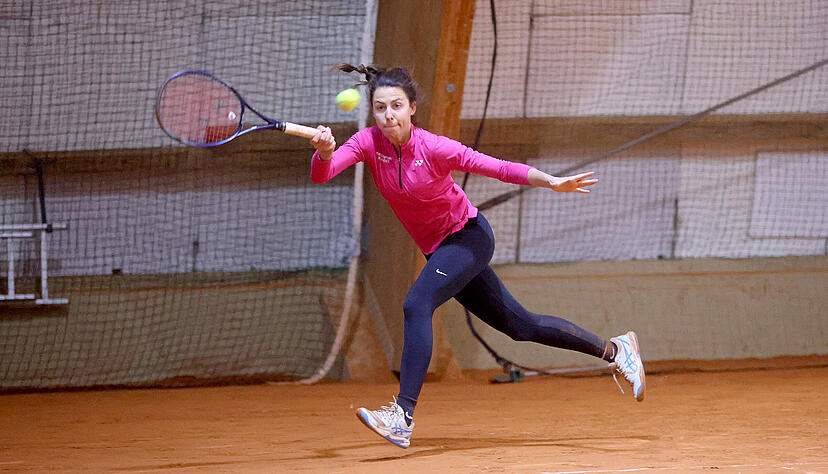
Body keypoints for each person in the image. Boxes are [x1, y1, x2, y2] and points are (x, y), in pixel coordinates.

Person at [309, 63, 645, 449]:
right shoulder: (368, 143)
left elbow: (498, 167)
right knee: (522, 326)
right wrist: (323, 152)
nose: (389, 116)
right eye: (381, 108)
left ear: (412, 108)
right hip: (440, 249)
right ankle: (617, 350)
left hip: (468, 238)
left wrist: (550, 180)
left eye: (397, 106)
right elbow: (324, 173)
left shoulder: (435, 148)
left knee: (417, 304)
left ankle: (402, 416)